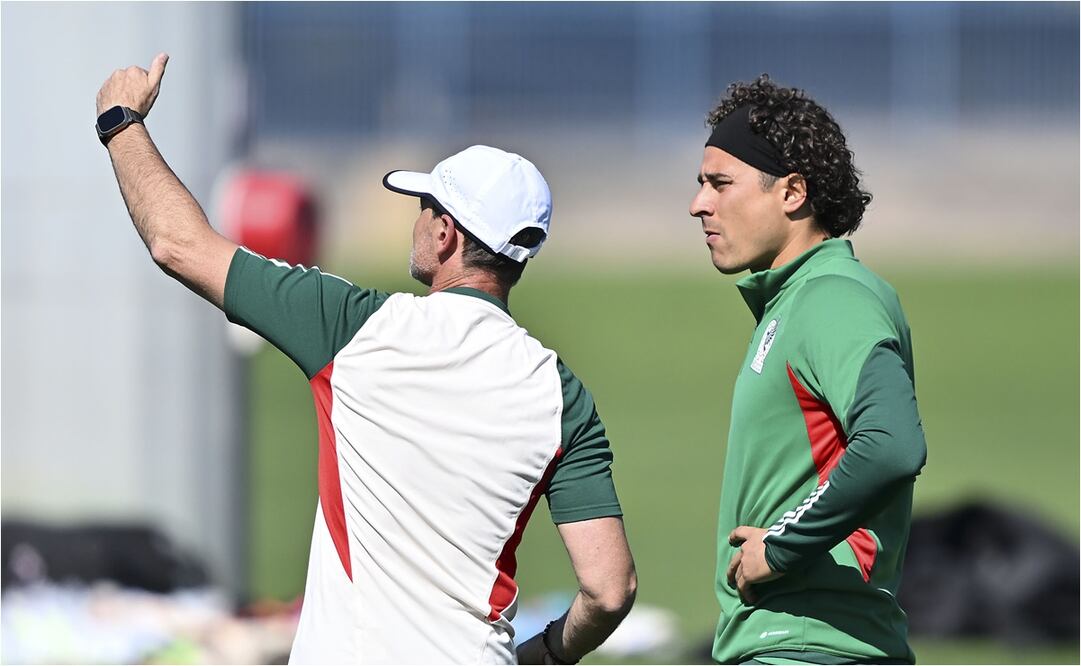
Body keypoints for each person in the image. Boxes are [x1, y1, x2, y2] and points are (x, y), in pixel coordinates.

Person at [96, 54, 636, 665]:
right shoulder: (561, 395)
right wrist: (542, 655)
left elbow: (177, 244)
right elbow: (610, 590)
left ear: (447, 234)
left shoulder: (355, 327)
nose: (418, 219)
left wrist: (122, 124)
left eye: (425, 206)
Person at [689, 75, 927, 664]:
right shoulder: (795, 300)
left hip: (811, 644)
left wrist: (782, 547)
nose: (699, 203)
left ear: (792, 192)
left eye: (720, 183)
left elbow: (892, 445)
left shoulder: (831, 298)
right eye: (701, 185)